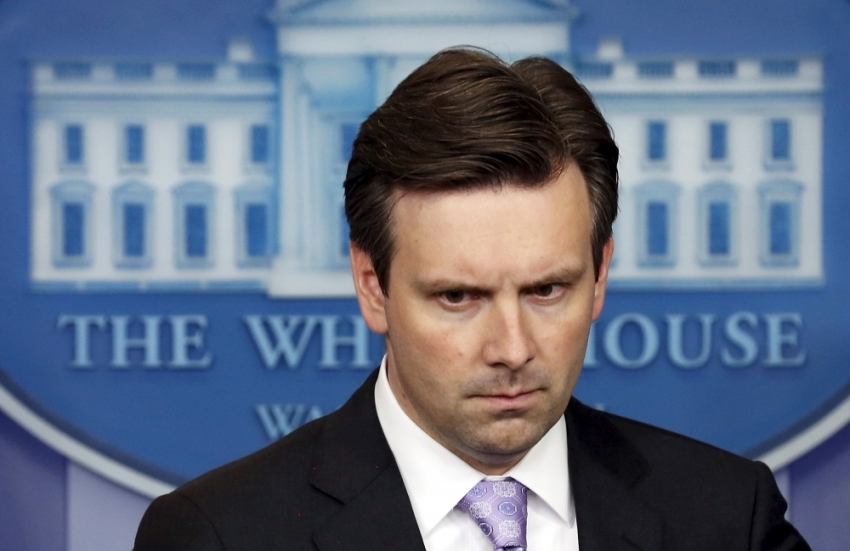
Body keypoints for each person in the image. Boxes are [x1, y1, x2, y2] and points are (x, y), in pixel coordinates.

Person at [134, 48, 810, 551]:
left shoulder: (728, 517)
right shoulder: (219, 536)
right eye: (459, 296)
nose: (512, 349)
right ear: (373, 286)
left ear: (601, 274)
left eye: (548, 289)